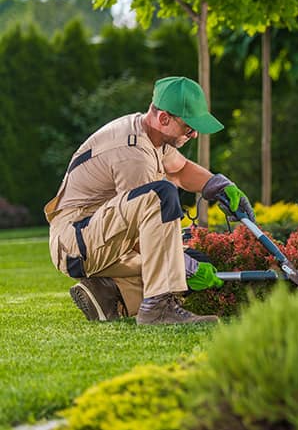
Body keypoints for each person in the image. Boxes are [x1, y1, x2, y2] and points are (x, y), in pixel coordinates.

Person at [44, 76, 255, 325]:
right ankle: (157, 308)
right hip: (76, 242)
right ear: (164, 118)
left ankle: (107, 293)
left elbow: (180, 169)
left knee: (190, 257)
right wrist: (185, 268)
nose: (195, 134)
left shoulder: (152, 134)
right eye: (189, 127)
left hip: (99, 236)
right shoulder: (133, 155)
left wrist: (219, 186)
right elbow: (140, 236)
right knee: (162, 198)